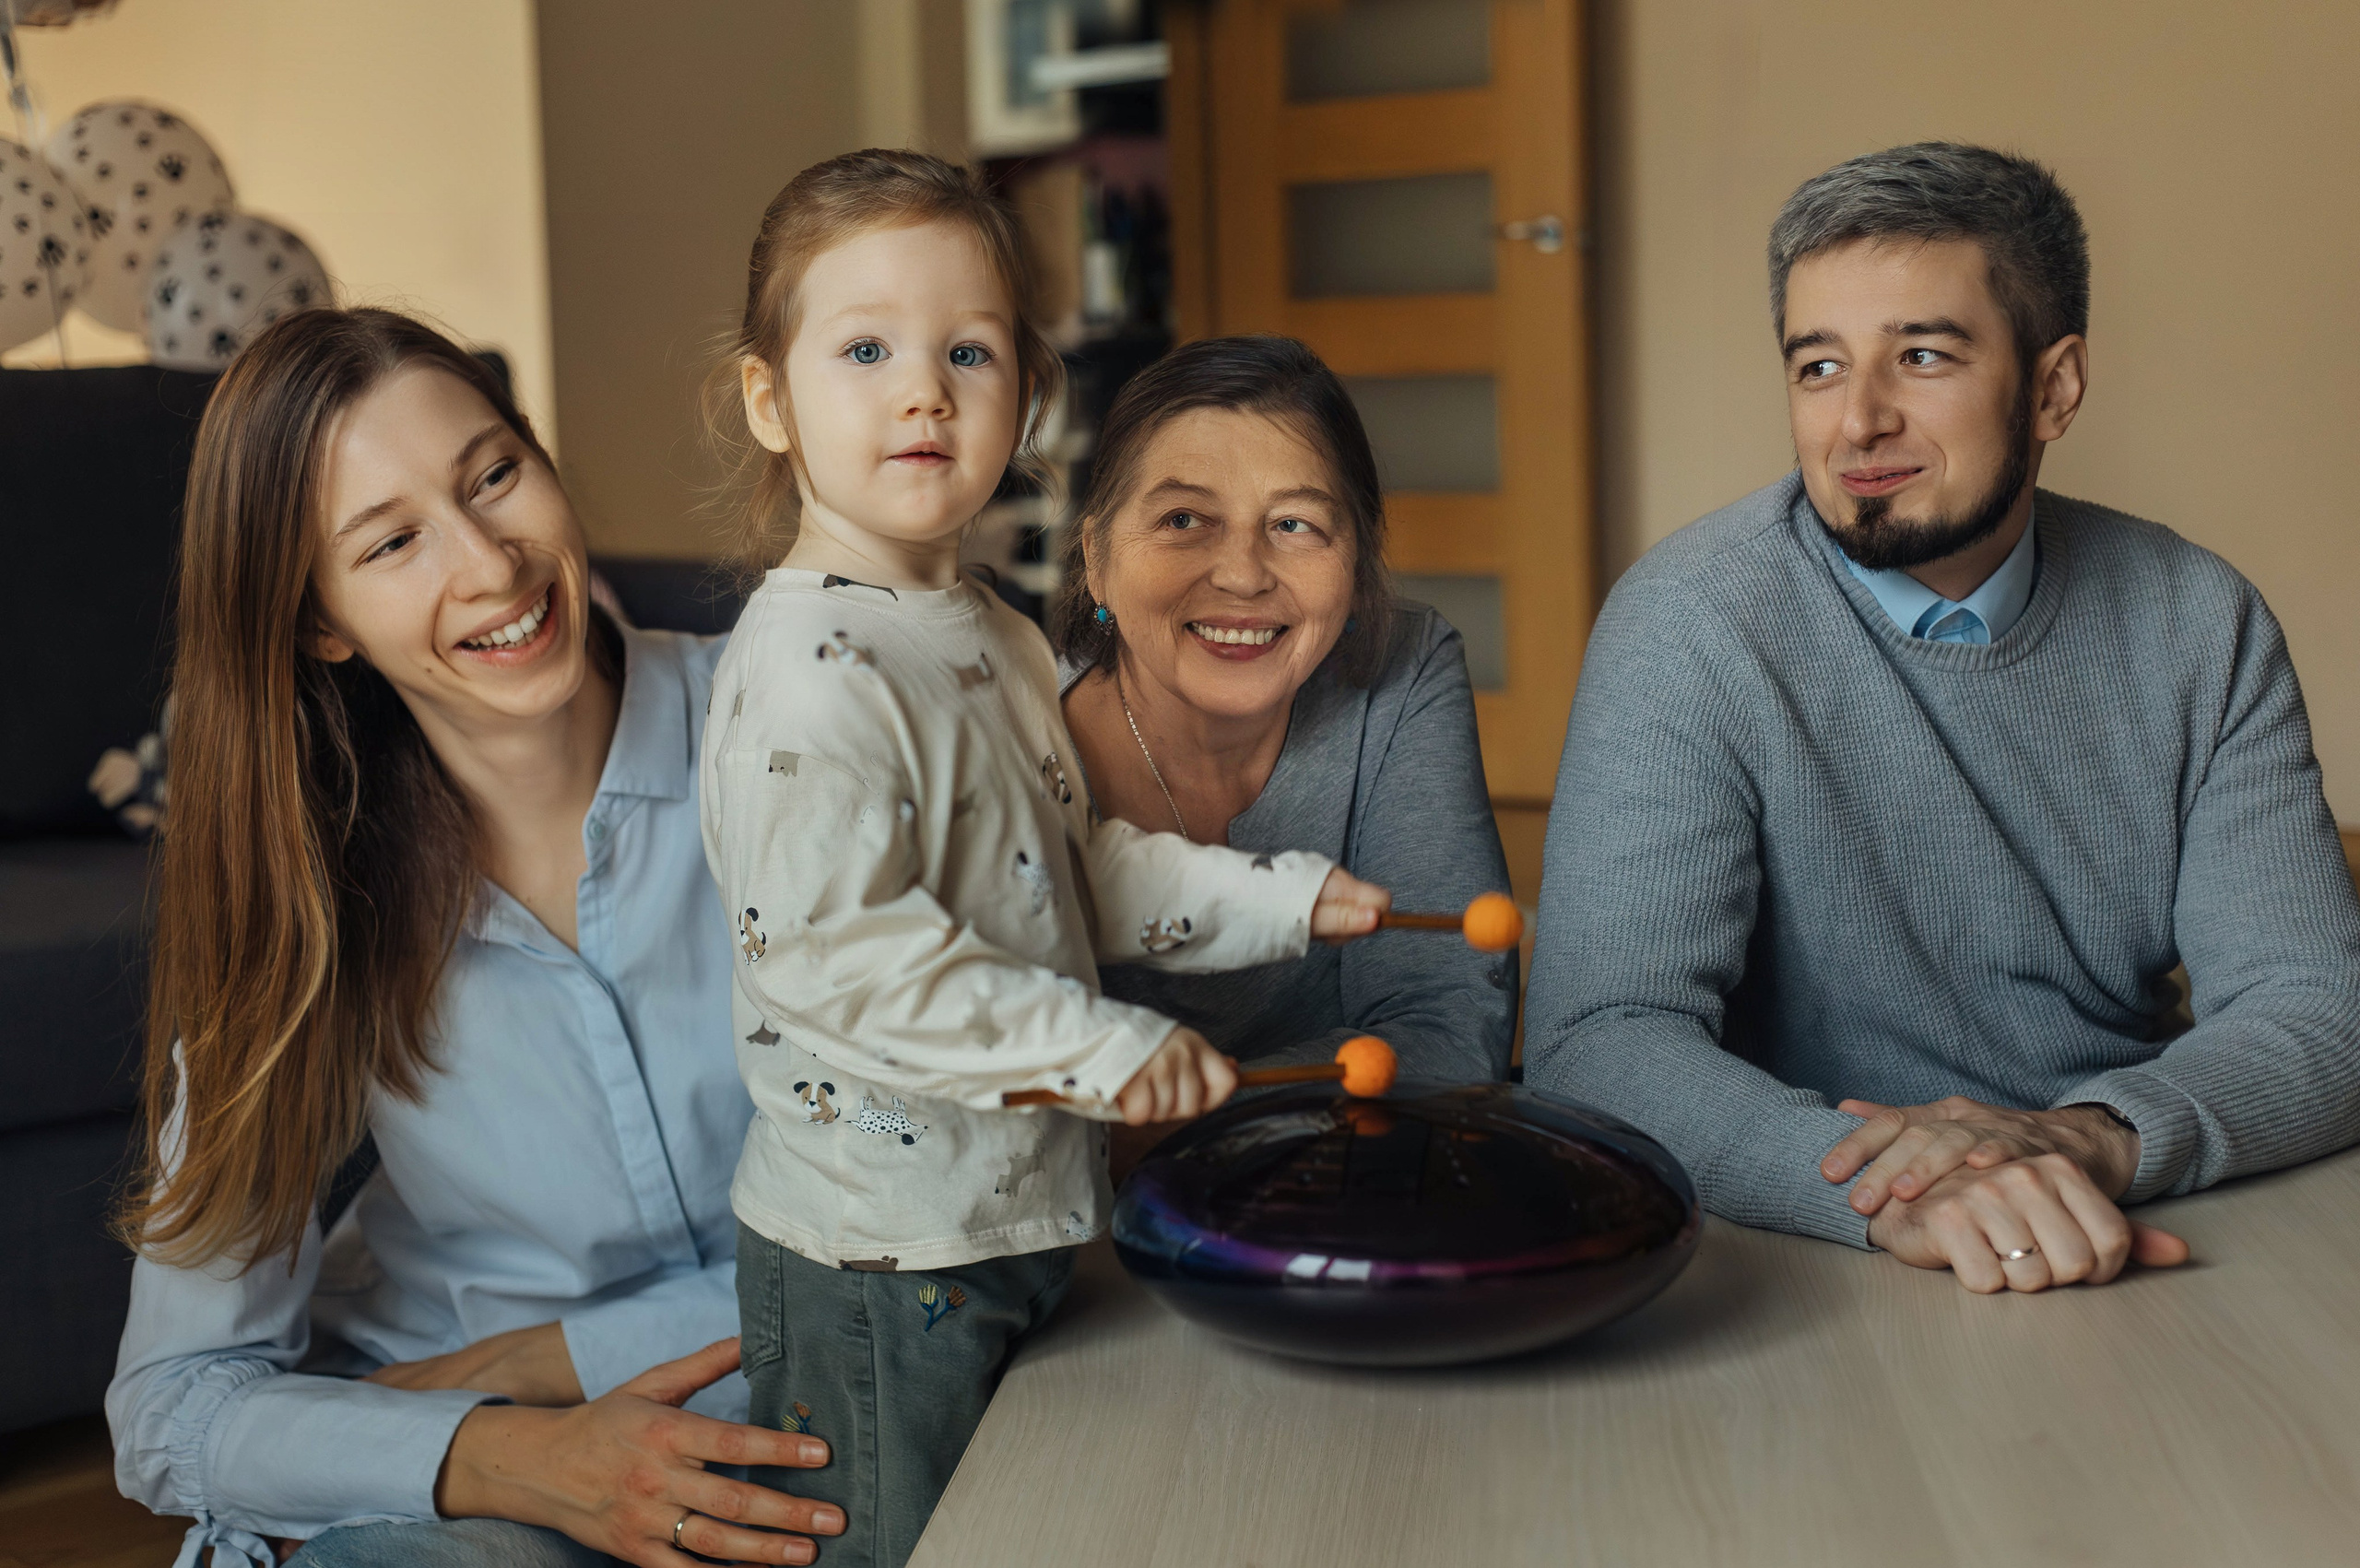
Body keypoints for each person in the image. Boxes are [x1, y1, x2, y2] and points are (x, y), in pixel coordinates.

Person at [705, 150, 1390, 1568]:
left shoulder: (994, 632)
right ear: (771, 399)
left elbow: (1072, 874)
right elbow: (852, 965)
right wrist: (1100, 1047)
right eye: (867, 349)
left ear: (1026, 390)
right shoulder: (809, 675)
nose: (925, 391)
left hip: (1005, 1208)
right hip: (877, 1260)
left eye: (971, 350)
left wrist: (1278, 899)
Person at [1526, 142, 2360, 1293]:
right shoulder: (1689, 622)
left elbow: (2317, 1008)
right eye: (1816, 367)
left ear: (2054, 387)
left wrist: (2087, 1137)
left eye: (1920, 355)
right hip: (1809, 1236)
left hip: (2118, 1207)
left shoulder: (2196, 620)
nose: (1857, 421)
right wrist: (1896, 1190)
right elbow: (1600, 1038)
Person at [108, 308, 844, 1567]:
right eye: (392, 542)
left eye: (494, 475)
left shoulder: (813, 730)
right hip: (454, 1462)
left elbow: (951, 1181)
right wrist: (510, 1447)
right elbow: (173, 1407)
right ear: (321, 623)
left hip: (811, 1393)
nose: (492, 567)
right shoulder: (310, 900)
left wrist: (547, 1364)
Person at [1051, 335, 1516, 1084]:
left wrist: (1194, 1119)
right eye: (1182, 520)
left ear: (1358, 565)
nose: (1241, 575)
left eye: (1294, 524)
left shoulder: (1408, 666)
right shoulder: (997, 730)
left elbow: (1447, 1026)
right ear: (1097, 558)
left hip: (1329, 1184)